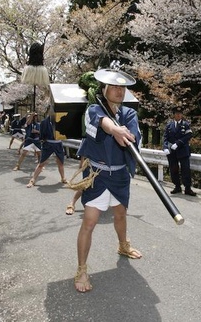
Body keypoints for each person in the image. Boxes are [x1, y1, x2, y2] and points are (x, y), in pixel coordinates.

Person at [74, 68, 142, 293]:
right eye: (113, 86)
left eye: (122, 87)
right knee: (90, 221)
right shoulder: (93, 109)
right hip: (97, 175)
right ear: (103, 90)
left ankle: (123, 245)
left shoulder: (130, 114)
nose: (119, 91)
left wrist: (125, 134)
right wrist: (114, 129)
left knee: (121, 214)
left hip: (120, 174)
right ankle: (82, 269)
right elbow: (103, 123)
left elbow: (130, 137)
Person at [26, 110, 67, 187]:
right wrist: (43, 142)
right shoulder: (44, 122)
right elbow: (42, 135)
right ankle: (33, 180)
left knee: (60, 162)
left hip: (58, 143)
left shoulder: (61, 120)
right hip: (48, 143)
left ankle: (63, 178)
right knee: (41, 163)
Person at [163, 106, 196, 196]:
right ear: (174, 115)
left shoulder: (185, 125)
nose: (178, 115)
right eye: (177, 114)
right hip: (172, 152)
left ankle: (187, 188)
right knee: (173, 169)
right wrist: (165, 147)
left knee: (185, 169)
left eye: (180, 113)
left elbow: (188, 135)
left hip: (183, 150)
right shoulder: (169, 125)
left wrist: (178, 143)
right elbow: (165, 138)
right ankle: (177, 186)